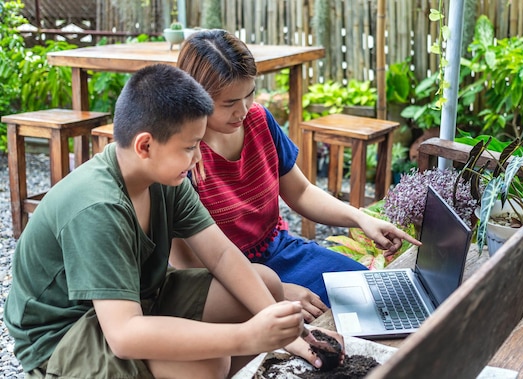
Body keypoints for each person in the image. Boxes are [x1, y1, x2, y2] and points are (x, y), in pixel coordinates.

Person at [5, 64, 341, 379]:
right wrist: (248, 336)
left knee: (265, 284)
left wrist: (291, 334)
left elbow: (222, 255)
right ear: (146, 145)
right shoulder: (98, 207)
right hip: (68, 332)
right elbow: (123, 335)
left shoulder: (165, 180)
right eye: (190, 147)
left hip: (138, 296)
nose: (198, 158)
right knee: (207, 366)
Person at [171, 29, 421, 322]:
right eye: (229, 103)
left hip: (279, 251)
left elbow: (300, 192)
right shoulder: (182, 157)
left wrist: (360, 218)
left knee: (377, 298)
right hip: (221, 280)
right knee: (316, 333)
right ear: (195, 97)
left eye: (249, 94)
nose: (243, 111)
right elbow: (185, 262)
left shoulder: (259, 121)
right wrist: (276, 292)